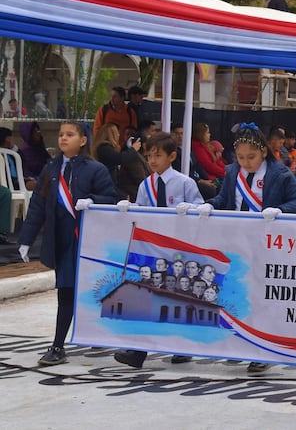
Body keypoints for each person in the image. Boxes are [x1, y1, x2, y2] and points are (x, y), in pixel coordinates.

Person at [206, 122, 296, 374]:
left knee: (262, 296)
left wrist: (280, 211)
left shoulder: (279, 174)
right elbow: (225, 200)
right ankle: (240, 343)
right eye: (240, 157)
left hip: (266, 244)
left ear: (263, 152)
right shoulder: (231, 173)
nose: (246, 162)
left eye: (251, 157)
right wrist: (209, 205)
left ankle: (263, 349)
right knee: (237, 293)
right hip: (236, 242)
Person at [18, 121, 117, 366]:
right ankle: (58, 345)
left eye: (70, 134)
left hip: (87, 240)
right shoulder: (51, 169)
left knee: (90, 289)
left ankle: (92, 334)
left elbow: (111, 199)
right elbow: (38, 206)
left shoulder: (96, 169)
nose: (63, 138)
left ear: (83, 140)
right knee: (66, 291)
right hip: (61, 241)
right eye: (61, 134)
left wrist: (92, 200)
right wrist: (26, 240)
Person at [112, 131, 205, 369]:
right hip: (155, 250)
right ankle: (138, 352)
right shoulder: (146, 184)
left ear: (172, 156)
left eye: (158, 155)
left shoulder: (185, 182)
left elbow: (201, 208)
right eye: (149, 155)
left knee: (179, 299)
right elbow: (142, 212)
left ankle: (181, 347)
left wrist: (191, 208)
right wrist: (129, 208)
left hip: (179, 249)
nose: (152, 160)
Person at [91, 123, 126, 199]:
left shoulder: (100, 147)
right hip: (107, 185)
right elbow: (119, 158)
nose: (119, 135)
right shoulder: (104, 148)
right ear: (112, 135)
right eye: (117, 133)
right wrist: (133, 150)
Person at [19, 121, 50, 191]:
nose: (38, 133)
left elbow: (47, 159)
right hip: (32, 177)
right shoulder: (27, 150)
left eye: (38, 130)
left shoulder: (39, 146)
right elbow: (35, 167)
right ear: (29, 134)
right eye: (35, 131)